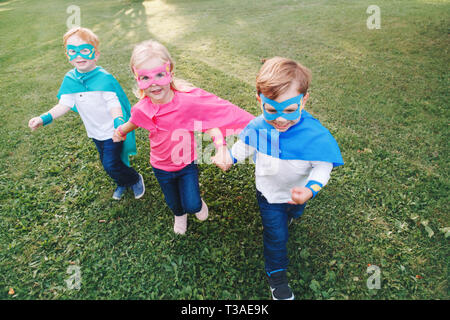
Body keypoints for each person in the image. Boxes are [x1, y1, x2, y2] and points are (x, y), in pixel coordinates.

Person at [213, 57, 344, 300]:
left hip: (298, 193)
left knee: (294, 212)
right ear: (260, 100)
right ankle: (277, 278)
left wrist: (310, 189)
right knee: (276, 236)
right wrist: (229, 158)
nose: (281, 119)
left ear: (304, 99)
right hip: (269, 195)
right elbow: (245, 145)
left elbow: (322, 167)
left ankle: (293, 215)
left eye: (290, 109)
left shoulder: (315, 135)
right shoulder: (259, 127)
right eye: (271, 110)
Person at [112, 40, 254, 235]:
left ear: (170, 72)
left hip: (186, 164)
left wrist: (221, 148)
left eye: (160, 74)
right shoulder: (141, 109)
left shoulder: (186, 103)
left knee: (193, 204)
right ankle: (180, 215)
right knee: (174, 203)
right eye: (145, 77)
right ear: (137, 78)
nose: (154, 83)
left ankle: (196, 205)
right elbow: (132, 123)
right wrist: (120, 132)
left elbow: (211, 126)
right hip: (160, 166)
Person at [28, 27, 144, 200]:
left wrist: (119, 123)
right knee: (109, 161)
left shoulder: (104, 78)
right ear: (68, 56)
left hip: (113, 130)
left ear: (95, 54)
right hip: (95, 132)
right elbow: (64, 105)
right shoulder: (70, 79)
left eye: (84, 50)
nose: (79, 56)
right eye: (73, 51)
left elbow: (114, 103)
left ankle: (134, 179)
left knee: (110, 163)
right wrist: (43, 118)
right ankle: (122, 182)